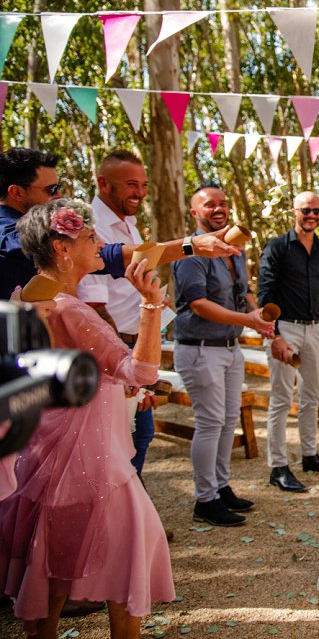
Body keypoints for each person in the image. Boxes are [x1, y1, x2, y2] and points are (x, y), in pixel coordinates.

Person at [0, 199, 174, 638]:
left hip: (45, 459)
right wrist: (151, 306)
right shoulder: (72, 310)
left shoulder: (24, 300)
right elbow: (143, 371)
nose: (102, 243)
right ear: (62, 249)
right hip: (94, 467)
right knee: (126, 569)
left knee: (51, 577)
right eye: (91, 237)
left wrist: (118, 389)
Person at [0, 147, 239, 303]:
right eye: (50, 189)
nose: (58, 195)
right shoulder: (11, 236)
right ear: (16, 193)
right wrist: (192, 246)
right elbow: (113, 257)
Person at [173, 183, 275, 526]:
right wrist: (247, 319)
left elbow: (243, 292)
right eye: (209, 204)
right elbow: (199, 305)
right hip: (200, 349)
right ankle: (204, 500)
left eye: (223, 204)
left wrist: (258, 315)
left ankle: (220, 486)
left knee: (228, 420)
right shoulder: (191, 252)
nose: (218, 209)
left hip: (231, 349)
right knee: (210, 422)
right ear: (194, 212)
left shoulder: (234, 249)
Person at [78, 149, 160, 476]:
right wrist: (122, 362)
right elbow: (95, 307)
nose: (140, 193)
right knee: (123, 442)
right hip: (114, 352)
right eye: (130, 184)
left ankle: (131, 520)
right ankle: (120, 522)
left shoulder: (129, 224)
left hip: (135, 346)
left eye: (143, 184)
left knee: (138, 435)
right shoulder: (93, 228)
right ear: (103, 184)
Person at [258, 191, 319, 492]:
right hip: (285, 330)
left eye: (317, 211)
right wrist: (275, 334)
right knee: (281, 399)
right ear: (294, 211)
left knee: (311, 396)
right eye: (306, 210)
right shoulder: (277, 247)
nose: (312, 216)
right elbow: (265, 293)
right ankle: (278, 466)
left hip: (314, 329)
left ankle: (310, 455)